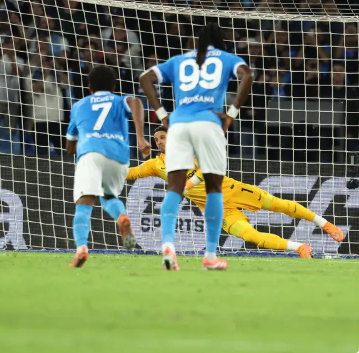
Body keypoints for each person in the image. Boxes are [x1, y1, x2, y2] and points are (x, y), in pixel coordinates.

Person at [128, 126, 345, 258]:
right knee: (251, 236)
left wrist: (188, 186)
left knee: (280, 205)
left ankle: (325, 224)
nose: (159, 142)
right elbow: (130, 173)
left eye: (163, 137)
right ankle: (300, 248)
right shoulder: (156, 165)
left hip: (232, 190)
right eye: (156, 139)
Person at [140, 23, 253, 271]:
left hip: (178, 125)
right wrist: (231, 114)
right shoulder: (226, 58)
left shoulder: (179, 60)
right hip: (209, 123)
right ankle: (210, 255)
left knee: (174, 187)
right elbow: (247, 75)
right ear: (220, 40)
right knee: (214, 188)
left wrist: (163, 115)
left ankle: (168, 247)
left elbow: (145, 77)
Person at [65, 65, 150, 268]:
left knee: (84, 203)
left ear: (89, 87)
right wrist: (140, 137)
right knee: (108, 196)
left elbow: (69, 146)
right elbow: (136, 102)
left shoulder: (79, 106)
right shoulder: (119, 100)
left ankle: (81, 248)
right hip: (118, 157)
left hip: (91, 153)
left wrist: (75, 145)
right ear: (114, 87)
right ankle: (122, 217)